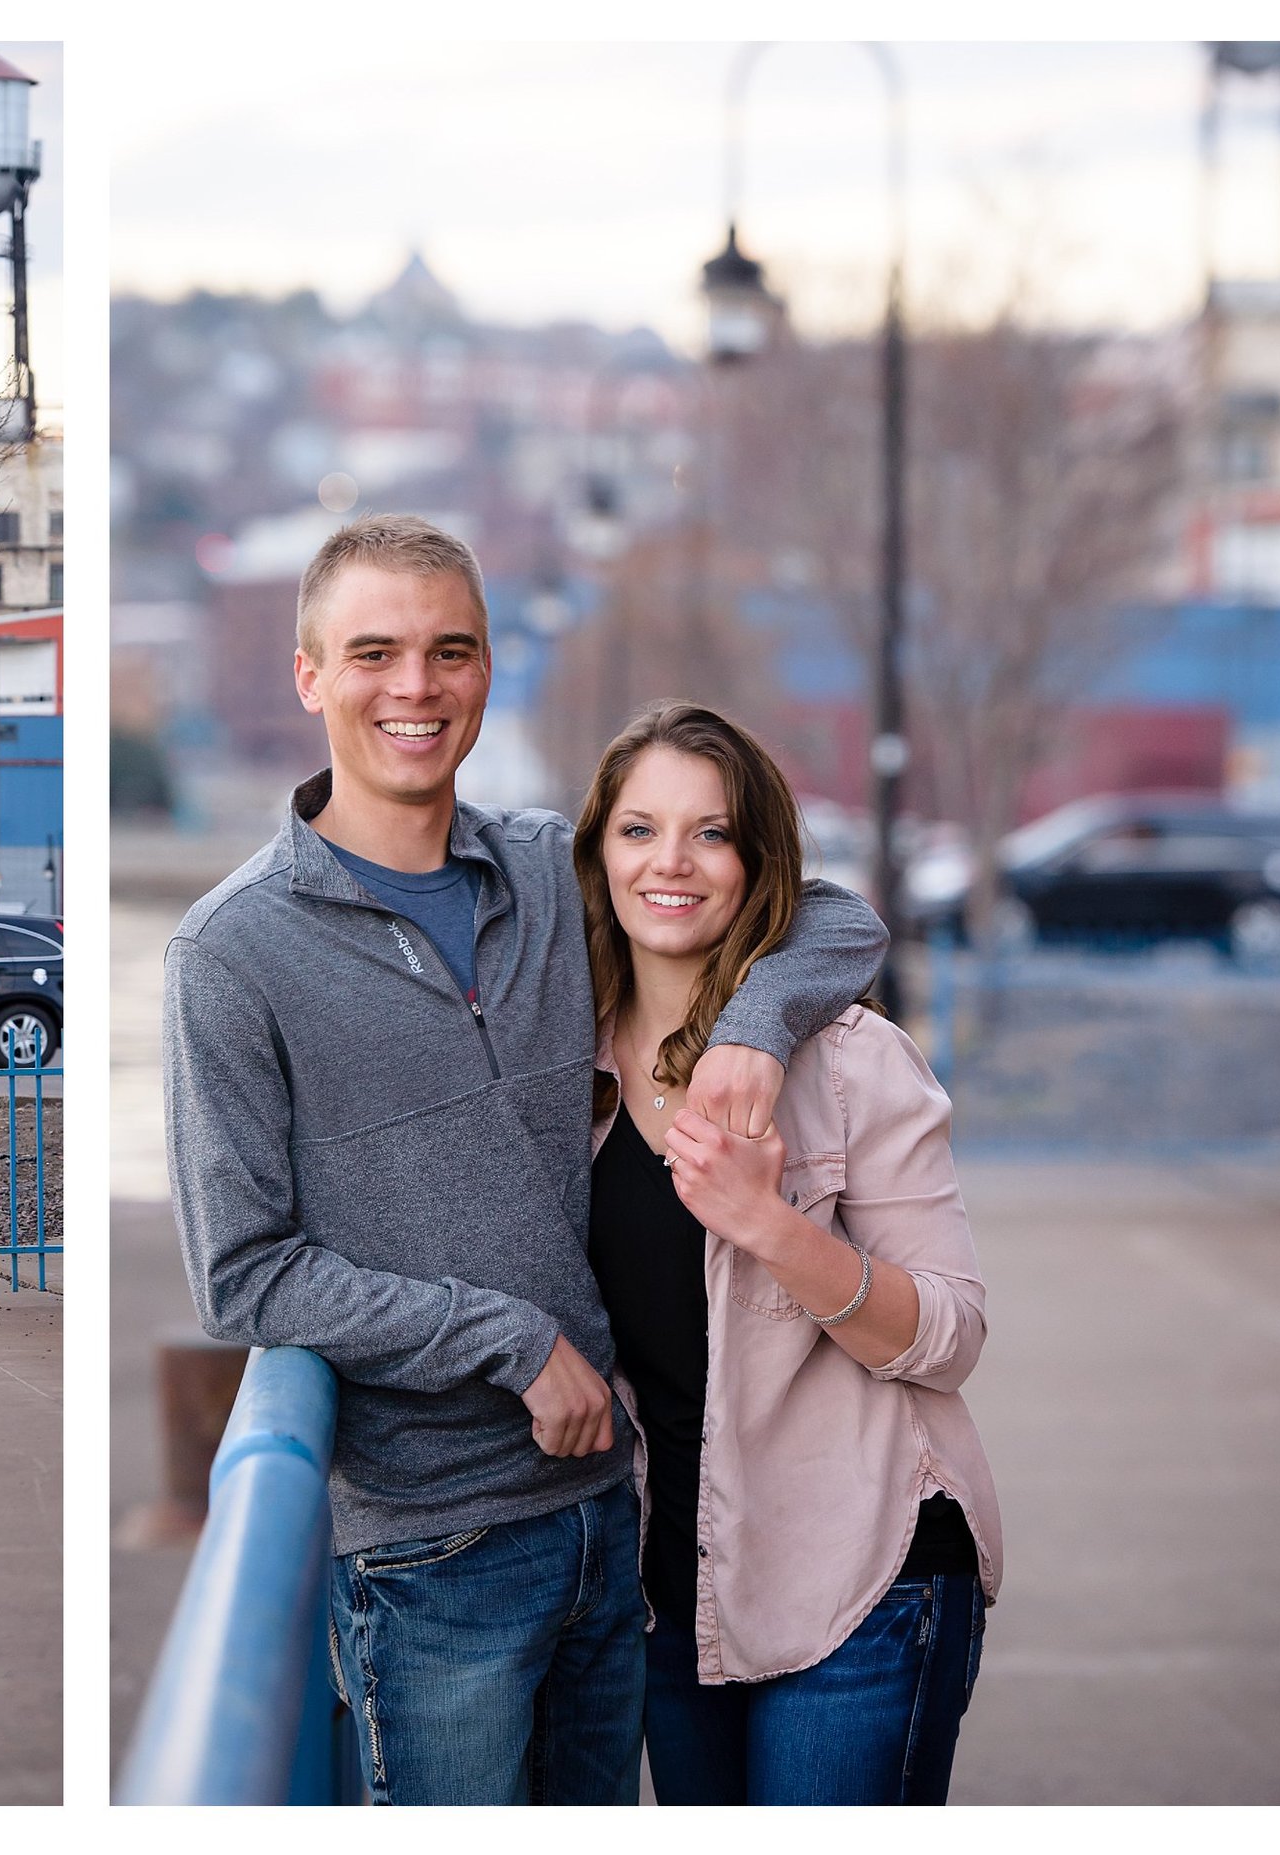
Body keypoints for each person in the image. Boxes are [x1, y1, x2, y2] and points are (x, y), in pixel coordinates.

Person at [161, 514, 887, 1805]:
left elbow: (829, 911)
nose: (416, 686)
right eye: (374, 651)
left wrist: (761, 1030)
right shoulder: (230, 954)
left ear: (490, 670)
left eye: (452, 650)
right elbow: (246, 1274)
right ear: (309, 674)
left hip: (615, 1519)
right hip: (432, 1549)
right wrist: (501, 1335)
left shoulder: (553, 872)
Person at [573, 701, 1001, 1805]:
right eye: (637, 830)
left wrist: (768, 1224)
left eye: (711, 833)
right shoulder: (562, 1071)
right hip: (680, 1593)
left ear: (758, 867)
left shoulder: (855, 1063)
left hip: (863, 1578)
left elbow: (949, 1337)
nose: (670, 862)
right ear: (596, 852)